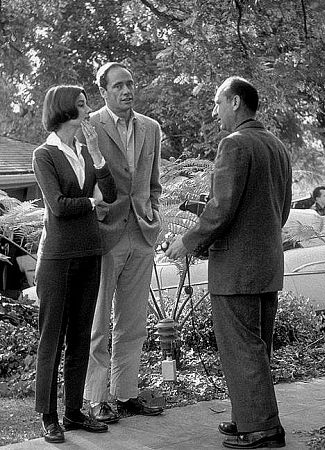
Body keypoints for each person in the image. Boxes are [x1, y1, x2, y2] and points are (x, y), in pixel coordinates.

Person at [166, 76, 292, 449]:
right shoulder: (277, 146)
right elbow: (279, 210)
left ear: (235, 102)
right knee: (256, 347)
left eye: (218, 102)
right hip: (267, 264)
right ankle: (247, 417)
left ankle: (262, 429)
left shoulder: (234, 144)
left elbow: (222, 210)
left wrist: (187, 241)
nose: (214, 109)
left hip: (237, 269)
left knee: (242, 348)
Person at [33, 85, 117, 443]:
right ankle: (49, 416)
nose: (88, 110)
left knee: (82, 335)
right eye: (82, 105)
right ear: (66, 110)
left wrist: (97, 154)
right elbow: (57, 205)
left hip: (89, 254)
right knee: (52, 338)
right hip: (57, 259)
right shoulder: (44, 154)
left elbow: (110, 194)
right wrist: (90, 202)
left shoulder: (85, 151)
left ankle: (73, 412)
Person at [83, 62, 164, 421]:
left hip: (142, 233)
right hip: (106, 234)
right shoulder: (91, 126)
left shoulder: (151, 128)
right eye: (118, 86)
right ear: (103, 91)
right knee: (98, 322)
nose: (127, 91)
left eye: (130, 84)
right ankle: (97, 399)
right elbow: (84, 181)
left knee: (133, 322)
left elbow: (153, 182)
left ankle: (126, 393)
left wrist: (154, 215)